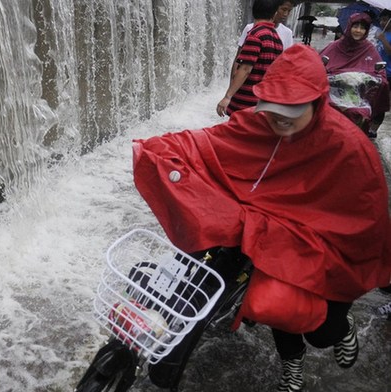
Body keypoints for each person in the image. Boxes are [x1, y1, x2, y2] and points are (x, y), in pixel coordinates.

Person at [133, 44, 391, 391]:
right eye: (273, 109)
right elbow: (207, 143)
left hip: (319, 246)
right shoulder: (257, 123)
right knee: (279, 308)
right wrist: (161, 148)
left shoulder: (349, 148)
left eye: (292, 110)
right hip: (270, 233)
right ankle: (292, 363)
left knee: (323, 329)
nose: (280, 118)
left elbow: (365, 221)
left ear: (317, 100)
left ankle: (342, 331)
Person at [320, 12, 390, 138]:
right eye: (355, 26)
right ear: (349, 26)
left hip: (359, 101)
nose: (358, 30)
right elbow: (318, 66)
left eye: (363, 28)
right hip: (332, 100)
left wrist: (375, 79)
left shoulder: (369, 49)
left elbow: (380, 74)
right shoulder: (334, 46)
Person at [216, 0, 283, 117]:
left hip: (246, 101)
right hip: (262, 101)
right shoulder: (277, 38)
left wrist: (227, 96)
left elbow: (246, 68)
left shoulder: (256, 35)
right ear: (274, 14)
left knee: (239, 132)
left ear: (254, 12)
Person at [229, 1, 294, 79]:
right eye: (283, 9)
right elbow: (239, 59)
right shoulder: (250, 28)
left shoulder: (287, 33)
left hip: (270, 81)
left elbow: (286, 63)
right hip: (249, 79)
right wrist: (232, 83)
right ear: (274, 9)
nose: (286, 14)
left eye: (289, 11)